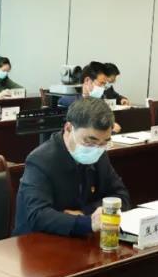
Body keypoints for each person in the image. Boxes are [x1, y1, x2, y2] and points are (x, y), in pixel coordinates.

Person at [13, 98, 130, 237]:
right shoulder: (40, 160)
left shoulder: (99, 154)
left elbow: (121, 197)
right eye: (89, 141)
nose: (96, 148)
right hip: (37, 241)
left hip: (79, 238)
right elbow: (38, 215)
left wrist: (85, 213)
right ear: (68, 128)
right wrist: (89, 222)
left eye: (104, 142)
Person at [58, 62, 122, 132]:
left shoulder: (100, 101)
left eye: (104, 84)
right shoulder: (69, 101)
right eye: (101, 83)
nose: (103, 88)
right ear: (87, 80)